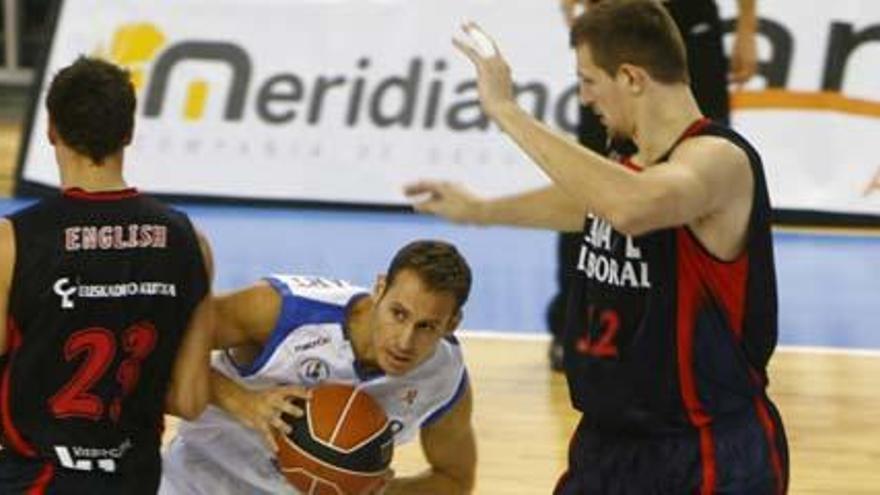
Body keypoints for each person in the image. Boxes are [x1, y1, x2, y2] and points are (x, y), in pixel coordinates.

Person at [405, 1, 787, 492]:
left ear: (630, 77)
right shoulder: (627, 166)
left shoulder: (718, 159)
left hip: (703, 451)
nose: (585, 98)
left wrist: (505, 110)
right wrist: (481, 210)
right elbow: (587, 204)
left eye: (588, 80)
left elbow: (631, 207)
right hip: (606, 445)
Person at [0, 57, 215, 493]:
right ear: (129, 134)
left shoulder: (13, 241)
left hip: (37, 480)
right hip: (133, 479)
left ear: (51, 131)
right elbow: (190, 399)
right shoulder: (190, 240)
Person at [160, 240, 477, 495]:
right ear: (379, 288)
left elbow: (454, 480)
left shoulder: (443, 375)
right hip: (198, 478)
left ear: (452, 324)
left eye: (426, 327)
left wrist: (377, 490)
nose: (405, 341)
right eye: (398, 314)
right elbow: (160, 346)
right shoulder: (285, 310)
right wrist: (246, 402)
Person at [547, 0, 759, 371]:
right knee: (593, 179)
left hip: (688, 22)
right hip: (615, 23)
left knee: (703, 167)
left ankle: (708, 326)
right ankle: (575, 324)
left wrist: (746, 25)